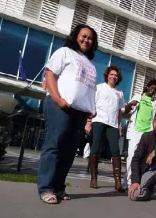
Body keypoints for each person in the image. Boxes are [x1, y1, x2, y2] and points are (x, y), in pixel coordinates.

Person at [37, 24, 98, 204]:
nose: (87, 40)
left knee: (69, 151)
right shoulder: (64, 52)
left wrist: (89, 111)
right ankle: (46, 188)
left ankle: (58, 187)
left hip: (79, 112)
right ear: (75, 36)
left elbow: (88, 90)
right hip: (60, 106)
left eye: (90, 38)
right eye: (83, 36)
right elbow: (50, 74)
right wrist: (58, 100)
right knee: (54, 146)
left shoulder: (90, 64)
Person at [85, 66, 138, 191]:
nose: (114, 76)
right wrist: (88, 122)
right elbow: (91, 106)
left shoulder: (119, 93)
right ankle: (93, 178)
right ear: (107, 75)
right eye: (111, 74)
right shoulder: (99, 88)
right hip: (98, 120)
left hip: (113, 125)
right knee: (95, 148)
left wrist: (119, 125)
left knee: (116, 151)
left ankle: (118, 182)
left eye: (116, 75)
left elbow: (121, 111)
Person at [123, 79, 156, 189]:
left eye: (155, 89)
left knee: (143, 158)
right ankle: (127, 182)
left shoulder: (155, 103)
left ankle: (137, 180)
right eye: (151, 87)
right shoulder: (137, 97)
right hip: (135, 130)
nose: (152, 90)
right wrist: (129, 105)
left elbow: (154, 119)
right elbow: (127, 112)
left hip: (147, 133)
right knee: (131, 156)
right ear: (147, 86)